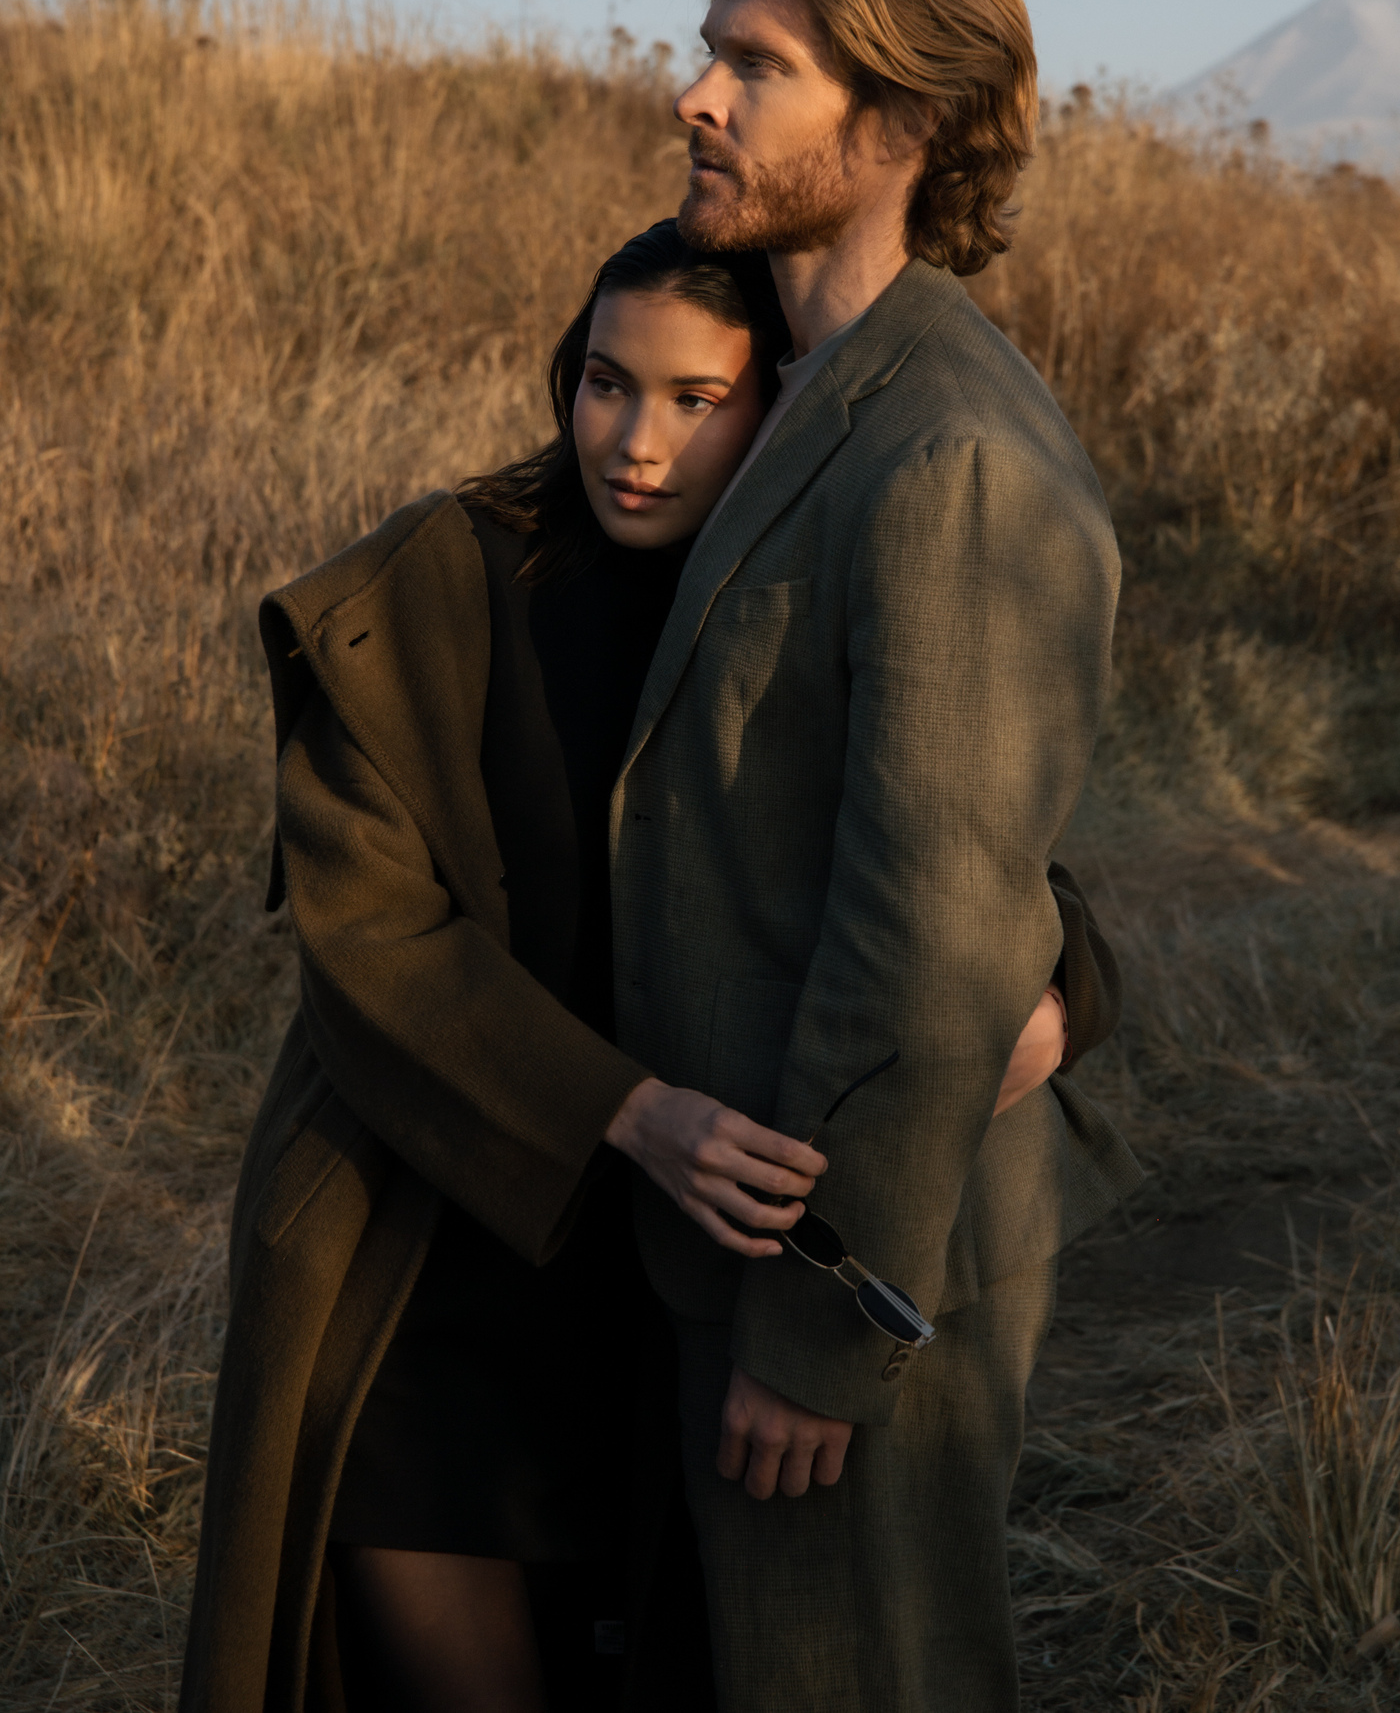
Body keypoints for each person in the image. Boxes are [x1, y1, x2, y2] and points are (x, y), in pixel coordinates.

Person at [178, 220, 1113, 1713]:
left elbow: (973, 860)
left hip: (697, 1250)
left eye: (699, 400)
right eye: (608, 382)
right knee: (412, 1571)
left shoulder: (816, 584)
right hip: (456, 1207)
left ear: (778, 406)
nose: (635, 443)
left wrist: (1065, 1002)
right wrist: (624, 1112)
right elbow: (367, 924)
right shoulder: (457, 577)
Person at [603, 0, 1144, 1713]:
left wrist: (825, 1333)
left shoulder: (953, 453)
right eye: (712, 50)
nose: (695, 94)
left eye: (759, 65)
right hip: (720, 1230)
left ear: (902, 126)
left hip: (860, 1277)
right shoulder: (779, 373)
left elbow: (930, 928)